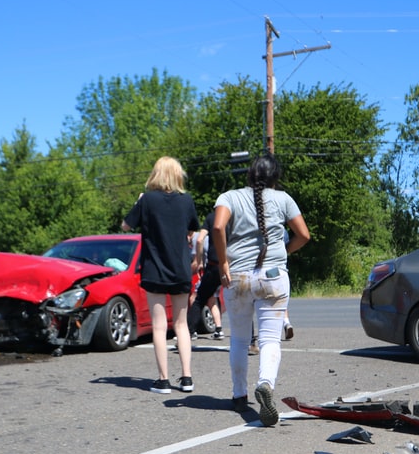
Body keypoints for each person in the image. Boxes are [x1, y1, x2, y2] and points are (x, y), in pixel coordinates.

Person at [212, 153, 310, 424]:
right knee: (269, 340)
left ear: (249, 174)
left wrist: (223, 264)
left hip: (238, 277)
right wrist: (284, 252)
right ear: (275, 177)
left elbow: (218, 226)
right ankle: (265, 384)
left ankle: (239, 396)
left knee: (240, 340)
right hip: (274, 276)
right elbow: (304, 235)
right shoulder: (284, 199)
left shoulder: (229, 197)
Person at [122, 156, 199, 394]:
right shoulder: (186, 201)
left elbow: (126, 226)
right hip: (180, 268)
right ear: (177, 175)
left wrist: (139, 203)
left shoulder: (147, 201)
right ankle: (186, 378)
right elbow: (191, 228)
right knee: (181, 325)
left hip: (155, 269)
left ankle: (163, 380)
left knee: (158, 326)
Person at [187, 210, 224, 340]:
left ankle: (190, 332)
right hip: (234, 263)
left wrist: (198, 260)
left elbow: (200, 240)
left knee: (200, 299)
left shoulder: (212, 217)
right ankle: (250, 340)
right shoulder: (236, 215)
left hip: (214, 264)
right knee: (242, 302)